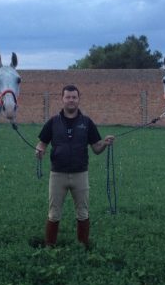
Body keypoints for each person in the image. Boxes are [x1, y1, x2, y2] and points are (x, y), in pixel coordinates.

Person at [35, 85, 114, 247]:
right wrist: (39, 150)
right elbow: (42, 143)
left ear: (78, 99)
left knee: (83, 213)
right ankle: (49, 246)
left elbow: (96, 149)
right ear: (62, 99)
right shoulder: (53, 122)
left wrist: (105, 143)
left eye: (74, 97)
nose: (71, 100)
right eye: (68, 97)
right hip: (57, 175)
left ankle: (82, 246)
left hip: (80, 175)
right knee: (54, 214)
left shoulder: (87, 122)